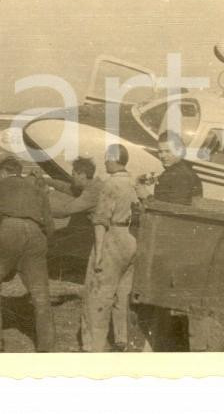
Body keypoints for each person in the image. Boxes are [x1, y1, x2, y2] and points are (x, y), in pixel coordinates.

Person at [0, 156, 56, 352]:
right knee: (40, 292)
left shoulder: (1, 184)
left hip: (10, 231)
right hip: (36, 234)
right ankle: (46, 345)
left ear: (4, 172)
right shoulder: (38, 190)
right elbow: (49, 224)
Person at [84, 144, 139, 352]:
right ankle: (122, 339)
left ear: (113, 159)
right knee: (123, 293)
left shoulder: (110, 185)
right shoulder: (133, 182)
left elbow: (101, 221)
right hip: (131, 238)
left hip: (113, 236)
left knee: (100, 292)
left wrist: (98, 252)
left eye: (107, 157)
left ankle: (95, 345)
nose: (104, 161)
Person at [153, 131, 203, 205]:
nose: (163, 156)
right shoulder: (184, 171)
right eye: (160, 151)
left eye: (167, 151)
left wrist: (145, 195)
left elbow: (173, 208)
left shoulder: (179, 175)